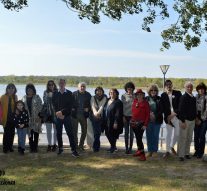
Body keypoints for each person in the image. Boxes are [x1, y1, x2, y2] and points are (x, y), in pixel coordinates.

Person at [52, 79, 79, 157]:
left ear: (65, 84)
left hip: (66, 116)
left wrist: (62, 113)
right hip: (58, 117)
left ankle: (73, 150)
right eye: (60, 83)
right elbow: (53, 105)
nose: (61, 84)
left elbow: (71, 106)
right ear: (58, 84)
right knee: (59, 134)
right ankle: (60, 148)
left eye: (63, 83)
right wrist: (58, 113)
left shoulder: (69, 93)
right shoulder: (55, 93)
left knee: (70, 134)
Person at [160, 80, 182, 159]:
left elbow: (180, 105)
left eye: (170, 84)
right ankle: (167, 151)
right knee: (168, 134)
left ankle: (172, 146)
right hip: (168, 118)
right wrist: (167, 117)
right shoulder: (163, 95)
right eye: (167, 85)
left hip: (176, 116)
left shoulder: (178, 93)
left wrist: (174, 113)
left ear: (172, 85)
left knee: (178, 133)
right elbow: (162, 107)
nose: (168, 86)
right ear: (165, 86)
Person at [178, 81, 196, 161]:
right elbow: (180, 110)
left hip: (192, 121)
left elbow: (195, 109)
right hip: (185, 121)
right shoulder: (183, 97)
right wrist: (182, 121)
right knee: (183, 138)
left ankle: (186, 153)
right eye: (188, 87)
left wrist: (196, 118)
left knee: (189, 138)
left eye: (191, 87)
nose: (189, 88)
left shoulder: (193, 97)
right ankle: (181, 155)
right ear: (185, 88)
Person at [22, 83, 42, 153]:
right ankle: (31, 147)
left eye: (31, 89)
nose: (29, 91)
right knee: (30, 134)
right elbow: (22, 108)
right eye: (28, 89)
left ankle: (35, 147)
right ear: (26, 90)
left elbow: (41, 107)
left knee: (36, 133)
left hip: (36, 118)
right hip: (28, 119)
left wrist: (39, 117)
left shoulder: (37, 97)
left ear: (33, 90)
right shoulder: (24, 98)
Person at [131, 89, 150, 161]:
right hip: (134, 123)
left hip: (141, 124)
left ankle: (143, 155)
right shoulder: (135, 101)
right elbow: (133, 112)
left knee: (139, 139)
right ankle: (139, 151)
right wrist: (132, 121)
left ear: (143, 95)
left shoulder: (146, 103)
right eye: (138, 94)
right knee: (137, 138)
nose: (139, 95)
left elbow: (148, 115)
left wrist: (145, 124)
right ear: (136, 95)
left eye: (140, 94)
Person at [72, 82, 91, 150]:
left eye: (84, 86)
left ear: (85, 87)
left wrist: (88, 108)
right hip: (75, 115)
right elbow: (70, 103)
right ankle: (75, 145)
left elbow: (91, 104)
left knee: (84, 131)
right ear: (78, 87)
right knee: (74, 131)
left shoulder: (88, 95)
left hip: (83, 115)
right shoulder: (74, 94)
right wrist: (72, 109)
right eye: (81, 86)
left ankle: (81, 145)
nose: (82, 88)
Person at [103, 88, 123, 153]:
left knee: (113, 134)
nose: (112, 94)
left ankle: (113, 147)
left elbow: (118, 113)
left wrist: (115, 122)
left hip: (113, 121)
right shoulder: (108, 100)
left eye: (114, 92)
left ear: (117, 94)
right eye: (111, 92)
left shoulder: (118, 102)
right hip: (106, 120)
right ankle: (113, 146)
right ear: (109, 93)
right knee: (107, 133)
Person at [146, 84, 163, 157]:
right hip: (148, 120)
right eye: (152, 90)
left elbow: (161, 109)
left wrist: (154, 115)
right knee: (149, 136)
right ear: (149, 91)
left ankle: (155, 151)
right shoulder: (146, 99)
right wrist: (150, 114)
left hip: (157, 120)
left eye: (155, 90)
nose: (153, 91)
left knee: (155, 136)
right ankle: (149, 150)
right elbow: (144, 108)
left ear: (157, 91)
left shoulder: (160, 99)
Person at [0, 83, 18, 153]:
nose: (11, 90)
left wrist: (16, 100)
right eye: (9, 88)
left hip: (13, 118)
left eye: (12, 88)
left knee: (12, 133)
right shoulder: (2, 97)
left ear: (14, 89)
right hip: (5, 118)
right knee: (6, 133)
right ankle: (5, 148)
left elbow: (17, 107)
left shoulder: (15, 97)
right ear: (7, 89)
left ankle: (10, 147)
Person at [90, 87, 107, 152]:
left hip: (101, 117)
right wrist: (95, 114)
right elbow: (92, 106)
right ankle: (96, 147)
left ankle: (96, 146)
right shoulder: (92, 98)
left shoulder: (104, 98)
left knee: (98, 132)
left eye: (100, 91)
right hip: (94, 117)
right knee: (96, 132)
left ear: (102, 92)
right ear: (95, 92)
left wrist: (98, 114)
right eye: (98, 91)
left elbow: (102, 107)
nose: (99, 92)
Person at [43, 80, 58, 152]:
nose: (51, 86)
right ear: (48, 86)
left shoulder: (57, 92)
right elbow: (45, 102)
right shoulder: (45, 92)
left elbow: (58, 103)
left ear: (54, 85)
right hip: (47, 114)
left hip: (55, 114)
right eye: (49, 85)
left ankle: (55, 144)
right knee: (48, 131)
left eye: (52, 85)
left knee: (55, 131)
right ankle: (49, 145)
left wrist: (53, 96)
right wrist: (49, 97)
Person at [121, 82, 135, 154]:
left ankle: (131, 148)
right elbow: (122, 107)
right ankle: (126, 148)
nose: (129, 89)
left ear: (133, 89)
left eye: (130, 88)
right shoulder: (123, 96)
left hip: (133, 117)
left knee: (132, 134)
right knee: (126, 133)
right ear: (126, 89)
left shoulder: (135, 96)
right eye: (128, 88)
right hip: (125, 117)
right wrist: (123, 116)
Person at [194, 82, 207, 159]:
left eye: (202, 89)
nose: (201, 90)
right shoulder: (196, 97)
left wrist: (201, 119)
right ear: (197, 90)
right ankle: (196, 150)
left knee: (202, 136)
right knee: (196, 136)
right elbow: (193, 108)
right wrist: (196, 118)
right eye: (199, 89)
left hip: (205, 119)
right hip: (196, 119)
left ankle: (201, 152)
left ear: (204, 89)